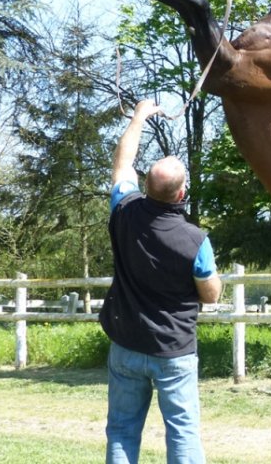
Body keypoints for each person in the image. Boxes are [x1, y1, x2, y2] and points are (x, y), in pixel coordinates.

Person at [100, 99, 222, 464]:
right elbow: (211, 295)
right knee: (183, 433)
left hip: (126, 344)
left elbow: (122, 163)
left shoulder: (123, 210)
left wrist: (139, 116)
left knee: (122, 430)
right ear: (181, 194)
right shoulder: (195, 240)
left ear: (145, 186)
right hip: (174, 350)